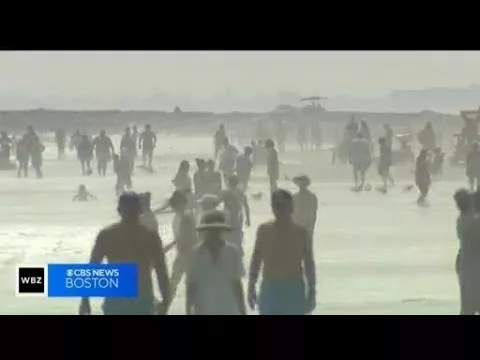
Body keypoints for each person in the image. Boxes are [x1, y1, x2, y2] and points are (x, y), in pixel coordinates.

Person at [78, 192, 171, 315]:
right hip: (142, 300)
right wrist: (165, 301)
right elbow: (161, 271)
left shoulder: (107, 235)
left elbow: (93, 267)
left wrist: (85, 299)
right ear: (140, 210)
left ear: (119, 210)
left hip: (116, 301)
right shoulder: (150, 236)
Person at [248, 189, 316, 315]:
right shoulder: (264, 230)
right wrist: (251, 286)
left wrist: (312, 290)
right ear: (272, 208)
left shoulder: (301, 233)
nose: (280, 211)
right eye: (276, 206)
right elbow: (256, 259)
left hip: (293, 289)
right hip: (270, 288)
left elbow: (309, 264)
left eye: (283, 207)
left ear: (291, 208)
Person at [186, 210, 246, 315]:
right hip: (203, 307)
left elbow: (237, 283)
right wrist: (188, 308)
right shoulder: (195, 253)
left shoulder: (232, 252)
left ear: (222, 230)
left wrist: (242, 310)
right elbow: (191, 284)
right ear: (205, 230)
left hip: (228, 308)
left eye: (217, 230)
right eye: (211, 230)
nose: (214, 233)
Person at [166, 191, 197, 302]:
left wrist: (169, 246)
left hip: (187, 254)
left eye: (175, 204)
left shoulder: (186, 216)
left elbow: (187, 236)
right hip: (184, 253)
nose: (173, 206)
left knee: (176, 281)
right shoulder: (180, 216)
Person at [456, 189, 480, 315]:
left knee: (467, 307)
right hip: (473, 268)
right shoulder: (473, 222)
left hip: (466, 266)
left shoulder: (462, 220)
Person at [217, 175, 251, 255]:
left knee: (227, 233)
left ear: (228, 183)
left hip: (228, 214)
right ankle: (238, 248)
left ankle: (227, 249)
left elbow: (218, 201)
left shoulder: (225, 192)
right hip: (238, 215)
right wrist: (248, 218)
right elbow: (246, 206)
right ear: (237, 183)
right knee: (237, 232)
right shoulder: (240, 192)